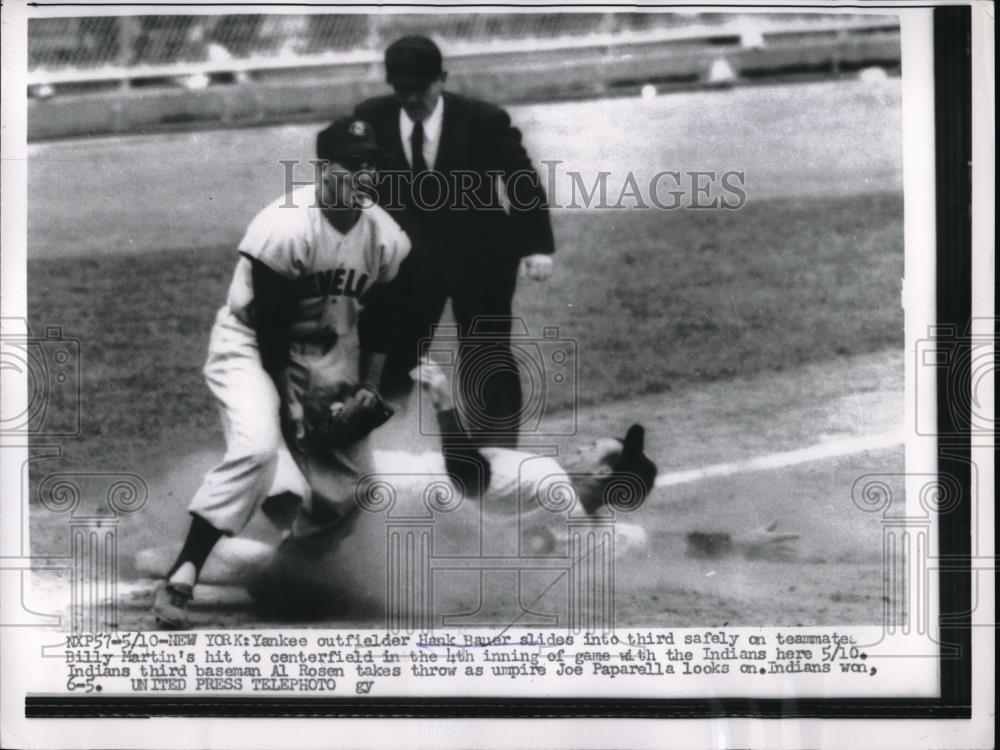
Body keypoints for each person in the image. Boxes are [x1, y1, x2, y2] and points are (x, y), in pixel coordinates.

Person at [151, 118, 411, 629]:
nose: (364, 174)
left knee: (352, 488)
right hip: (251, 346)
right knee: (257, 448)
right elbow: (271, 328)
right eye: (351, 164)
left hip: (329, 352)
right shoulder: (285, 225)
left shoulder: (385, 235)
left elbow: (385, 320)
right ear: (322, 170)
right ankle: (183, 572)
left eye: (371, 164)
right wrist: (290, 405)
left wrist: (369, 385)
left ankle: (286, 572)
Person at [352, 35, 556, 448]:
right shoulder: (371, 118)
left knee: (486, 353)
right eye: (402, 90)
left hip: (479, 255)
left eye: (421, 89)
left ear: (442, 79)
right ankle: (388, 449)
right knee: (397, 354)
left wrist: (536, 246)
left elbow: (521, 180)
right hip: (407, 263)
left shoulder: (482, 119)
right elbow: (359, 187)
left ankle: (496, 454)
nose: (412, 99)